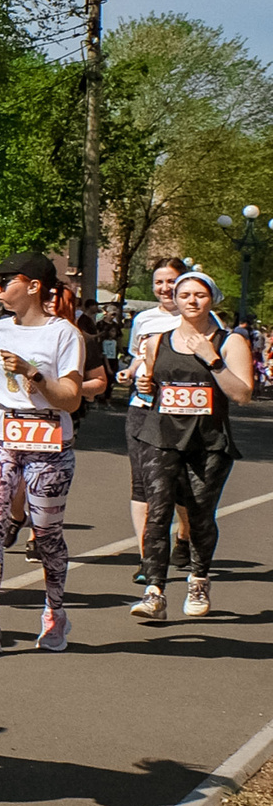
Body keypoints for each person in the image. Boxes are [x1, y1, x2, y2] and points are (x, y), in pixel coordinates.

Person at [0, 251, 86, 654]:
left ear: (32, 286)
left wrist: (33, 373)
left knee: (46, 534)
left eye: (4, 281)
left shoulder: (65, 334)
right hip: (1, 436)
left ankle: (55, 612)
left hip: (48, 440)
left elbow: (70, 399)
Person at [131, 269, 252, 621]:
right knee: (158, 509)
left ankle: (198, 579)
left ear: (211, 298)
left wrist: (211, 358)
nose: (192, 301)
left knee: (199, 516)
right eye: (185, 296)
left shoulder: (230, 341)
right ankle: (154, 590)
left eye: (199, 295)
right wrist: (143, 386)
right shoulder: (158, 341)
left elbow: (242, 393)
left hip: (208, 441)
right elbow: (147, 388)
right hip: (161, 435)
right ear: (176, 301)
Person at [125, 257, 194, 568]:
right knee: (141, 483)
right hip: (143, 408)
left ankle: (184, 535)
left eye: (171, 281)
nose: (165, 288)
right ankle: (147, 558)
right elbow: (138, 359)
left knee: (183, 486)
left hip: (185, 415)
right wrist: (130, 374)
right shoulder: (144, 320)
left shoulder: (201, 318)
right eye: (159, 282)